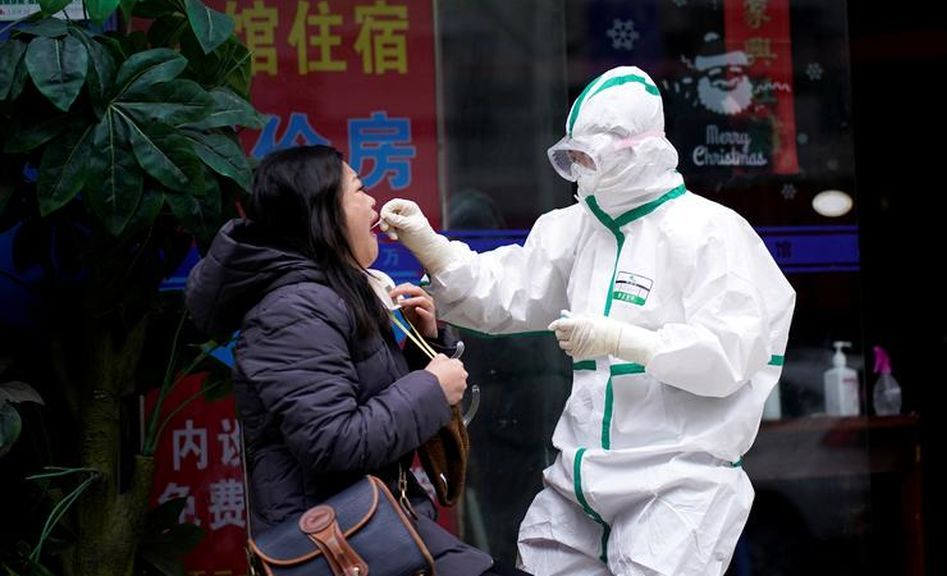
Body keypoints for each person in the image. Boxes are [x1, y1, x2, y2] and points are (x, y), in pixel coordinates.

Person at [378, 66, 796, 575]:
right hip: (578, 480)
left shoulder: (710, 232)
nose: (580, 170)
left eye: (589, 157)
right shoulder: (578, 229)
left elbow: (730, 355)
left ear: (635, 148)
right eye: (572, 158)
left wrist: (627, 341)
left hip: (675, 482)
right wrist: (432, 247)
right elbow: (507, 292)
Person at [185, 145, 528, 576]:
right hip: (341, 548)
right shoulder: (292, 310)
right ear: (321, 211)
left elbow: (373, 407)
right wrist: (432, 387)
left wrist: (426, 345)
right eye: (359, 190)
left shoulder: (332, 292)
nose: (372, 202)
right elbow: (335, 442)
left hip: (385, 533)